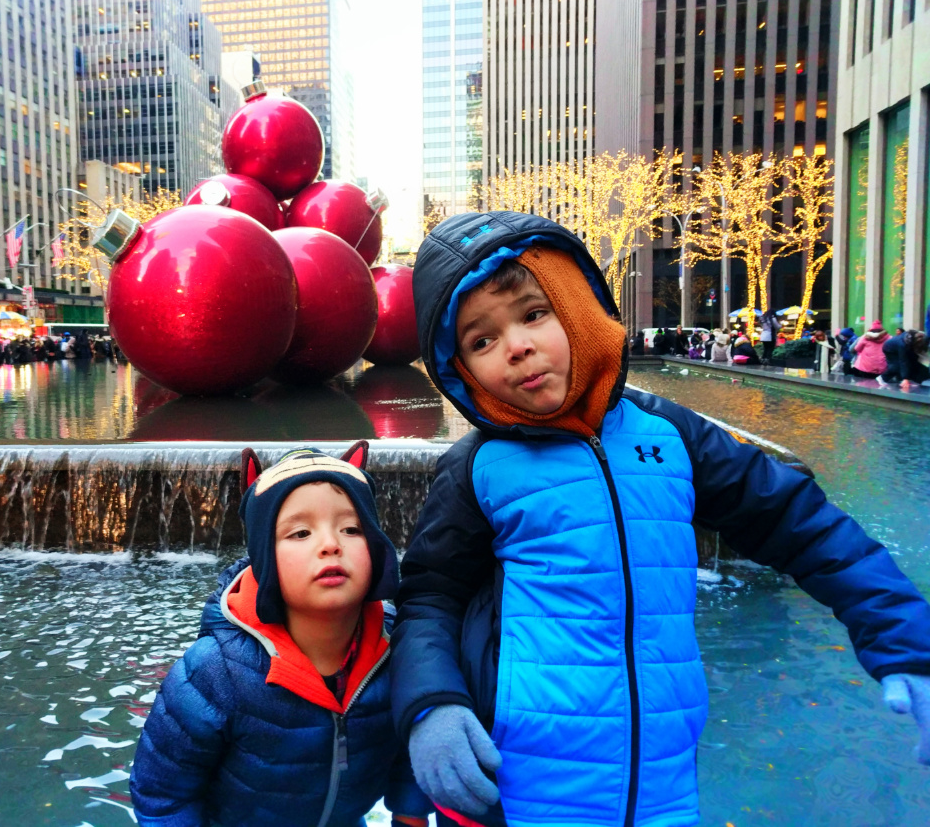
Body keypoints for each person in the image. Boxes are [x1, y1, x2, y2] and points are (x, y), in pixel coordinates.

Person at [390, 211, 930, 827]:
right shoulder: (478, 467)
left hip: (662, 785)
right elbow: (430, 597)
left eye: (534, 313)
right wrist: (432, 705)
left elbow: (799, 522)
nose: (515, 346)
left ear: (581, 304)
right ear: (459, 370)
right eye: (480, 341)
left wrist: (905, 639)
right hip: (521, 786)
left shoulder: (669, 435)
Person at [130, 443, 431, 827]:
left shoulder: (399, 648)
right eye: (301, 532)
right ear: (263, 558)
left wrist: (410, 814)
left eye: (351, 528)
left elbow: (412, 746)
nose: (330, 544)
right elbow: (162, 795)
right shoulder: (214, 673)